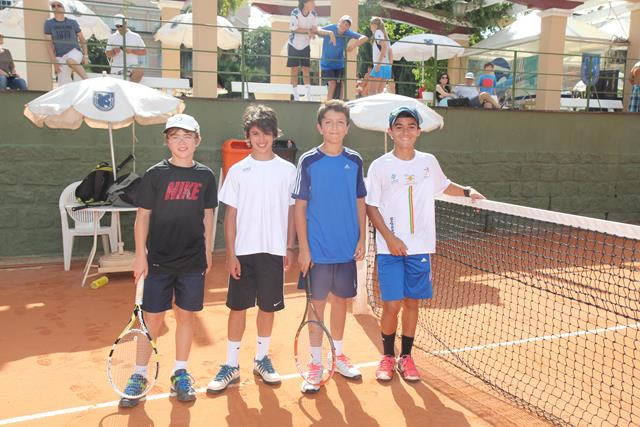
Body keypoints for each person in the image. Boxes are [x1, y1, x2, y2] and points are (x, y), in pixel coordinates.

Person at [366, 106, 484, 382]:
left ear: (418, 131)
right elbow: (371, 206)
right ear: (390, 132)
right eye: (399, 127)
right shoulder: (380, 166)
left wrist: (468, 191)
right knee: (391, 304)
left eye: (411, 126)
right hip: (390, 249)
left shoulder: (428, 162)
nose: (405, 131)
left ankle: (406, 357)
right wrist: (390, 238)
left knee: (412, 303)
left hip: (420, 248)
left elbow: (443, 186)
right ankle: (387, 356)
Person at [120, 114, 217, 408]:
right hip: (158, 261)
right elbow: (142, 216)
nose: (182, 142)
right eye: (175, 136)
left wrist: (208, 252)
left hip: (192, 261)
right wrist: (140, 255)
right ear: (167, 141)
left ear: (197, 140)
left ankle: (180, 372)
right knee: (152, 318)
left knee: (186, 316)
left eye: (188, 136)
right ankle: (139, 374)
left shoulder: (206, 176)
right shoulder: (155, 175)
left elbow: (208, 215)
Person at [206, 105, 297, 393]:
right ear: (248, 136)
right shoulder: (237, 171)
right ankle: (231, 364)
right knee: (238, 307)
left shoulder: (288, 171)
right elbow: (230, 216)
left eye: (266, 133)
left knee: (267, 307)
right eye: (255, 134)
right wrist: (231, 253)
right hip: (243, 253)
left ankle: (261, 358)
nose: (261, 139)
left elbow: (292, 212)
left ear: (275, 134)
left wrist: (289, 247)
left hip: (273, 251)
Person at [293, 99, 366, 393]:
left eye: (340, 123)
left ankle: (337, 355)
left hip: (346, 250)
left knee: (340, 303)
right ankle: (315, 362)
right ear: (319, 127)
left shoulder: (355, 160)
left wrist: (362, 238)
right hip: (317, 251)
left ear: (347, 128)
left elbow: (360, 202)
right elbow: (300, 206)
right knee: (317, 305)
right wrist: (304, 248)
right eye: (328, 123)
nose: (334, 128)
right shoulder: (308, 161)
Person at [316, 15, 368, 100]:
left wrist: (353, 46)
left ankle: (340, 103)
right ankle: (328, 103)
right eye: (343, 22)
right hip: (326, 64)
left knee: (341, 84)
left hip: (339, 64)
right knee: (333, 83)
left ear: (348, 28)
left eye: (347, 25)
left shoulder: (348, 33)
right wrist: (330, 33)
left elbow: (365, 38)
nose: (344, 25)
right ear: (339, 22)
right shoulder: (331, 28)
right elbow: (318, 29)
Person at [44, 0, 89, 85]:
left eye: (59, 5)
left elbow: (82, 39)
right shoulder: (48, 23)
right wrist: (54, 61)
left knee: (70, 60)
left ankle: (88, 81)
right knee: (63, 84)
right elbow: (49, 44)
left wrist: (86, 55)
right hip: (60, 56)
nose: (56, 7)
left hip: (75, 51)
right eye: (53, 6)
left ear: (64, 8)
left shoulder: (72, 22)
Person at [287, 0, 317, 101]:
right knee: (294, 70)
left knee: (306, 70)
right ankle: (296, 96)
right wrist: (307, 31)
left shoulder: (313, 14)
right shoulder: (295, 12)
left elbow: (314, 27)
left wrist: (313, 32)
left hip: (305, 45)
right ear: (305, 3)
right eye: (312, 2)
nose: (314, 4)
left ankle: (308, 96)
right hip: (293, 44)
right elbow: (294, 28)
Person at [105, 14, 147, 83]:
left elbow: (144, 52)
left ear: (126, 23)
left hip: (131, 67)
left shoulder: (136, 36)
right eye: (117, 26)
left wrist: (131, 51)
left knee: (139, 70)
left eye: (121, 26)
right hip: (116, 69)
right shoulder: (112, 37)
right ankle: (131, 87)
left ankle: (130, 87)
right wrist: (114, 52)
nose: (119, 28)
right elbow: (107, 54)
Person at [368, 16, 392, 95]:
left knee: (372, 91)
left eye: (371, 24)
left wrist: (378, 64)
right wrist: (390, 66)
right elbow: (390, 51)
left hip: (380, 65)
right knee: (379, 92)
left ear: (375, 25)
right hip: (386, 65)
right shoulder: (385, 35)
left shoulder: (378, 32)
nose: (370, 26)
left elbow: (384, 47)